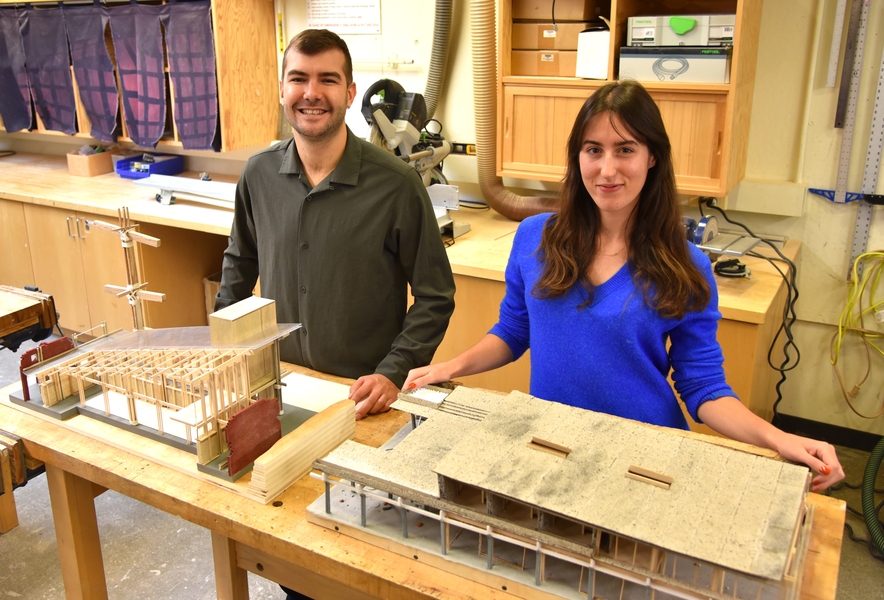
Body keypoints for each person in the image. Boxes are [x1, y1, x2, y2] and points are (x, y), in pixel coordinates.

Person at [404, 80, 844, 493]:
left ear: (652, 157)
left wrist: (778, 438)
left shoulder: (685, 266)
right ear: (577, 156)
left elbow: (703, 386)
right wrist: (449, 367)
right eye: (593, 150)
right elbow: (514, 332)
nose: (607, 169)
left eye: (626, 149)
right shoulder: (534, 238)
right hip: (553, 444)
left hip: (644, 456)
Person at [215, 28, 455, 421]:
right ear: (282, 90)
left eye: (328, 79)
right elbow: (238, 267)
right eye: (298, 79)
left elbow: (436, 296)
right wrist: (226, 348)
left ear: (349, 93)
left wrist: (393, 372)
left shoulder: (396, 185)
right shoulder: (258, 175)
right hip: (280, 382)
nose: (311, 93)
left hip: (363, 394)